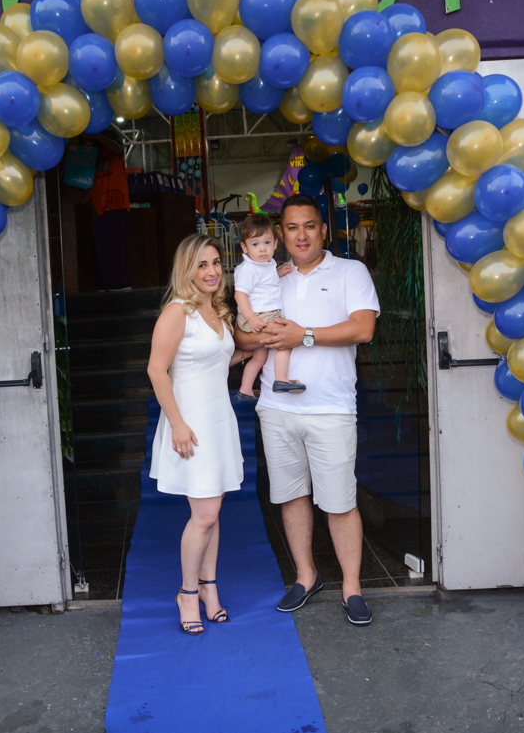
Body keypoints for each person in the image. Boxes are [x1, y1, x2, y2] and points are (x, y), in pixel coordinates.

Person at [234, 194, 380, 626]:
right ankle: (305, 576)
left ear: (324, 230)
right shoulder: (269, 276)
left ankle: (351, 587)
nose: (301, 235)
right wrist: (264, 337)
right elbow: (240, 338)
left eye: (310, 226)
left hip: (331, 408)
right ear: (281, 234)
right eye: (292, 228)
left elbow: (364, 328)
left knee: (339, 501)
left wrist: (304, 336)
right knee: (291, 496)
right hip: (276, 407)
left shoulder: (350, 271)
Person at [147, 233, 253, 635]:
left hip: (218, 420)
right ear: (186, 270)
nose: (211, 272)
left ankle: (209, 587)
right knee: (204, 515)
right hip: (189, 423)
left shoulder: (217, 309)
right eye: (201, 265)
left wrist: (257, 346)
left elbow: (218, 360)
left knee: (212, 511)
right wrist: (176, 423)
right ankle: (187, 593)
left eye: (215, 263)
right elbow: (157, 370)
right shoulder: (177, 311)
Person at [233, 214, 301, 401]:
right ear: (244, 247)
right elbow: (240, 295)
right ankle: (281, 380)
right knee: (285, 338)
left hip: (264, 314)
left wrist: (278, 273)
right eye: (255, 244)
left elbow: (263, 284)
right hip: (257, 315)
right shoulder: (248, 269)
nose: (262, 249)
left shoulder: (266, 264)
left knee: (259, 358)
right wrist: (252, 319)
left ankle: (245, 390)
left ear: (275, 243)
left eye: (267, 243)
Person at [89, 131, 131, 291]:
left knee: (117, 247)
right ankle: (107, 283)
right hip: (99, 205)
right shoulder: (93, 153)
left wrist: (97, 136)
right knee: (103, 248)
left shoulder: (113, 147)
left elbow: (117, 147)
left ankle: (122, 284)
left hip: (116, 204)